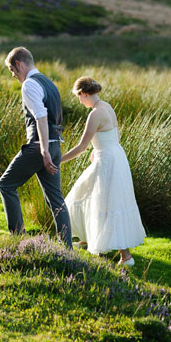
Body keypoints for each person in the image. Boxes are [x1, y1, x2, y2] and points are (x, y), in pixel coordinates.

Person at [61, 77, 146, 265]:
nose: (79, 101)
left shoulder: (95, 114)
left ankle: (126, 256)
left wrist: (60, 159)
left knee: (109, 203)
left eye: (78, 97)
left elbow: (82, 146)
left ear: (83, 93)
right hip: (115, 155)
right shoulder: (106, 106)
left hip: (107, 161)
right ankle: (86, 238)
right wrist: (97, 149)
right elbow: (114, 135)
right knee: (83, 192)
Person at [0, 47, 72, 247]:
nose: (13, 75)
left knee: (6, 184)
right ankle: (67, 249)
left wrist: (44, 151)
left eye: (12, 71)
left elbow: (40, 116)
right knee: (56, 200)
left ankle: (18, 239)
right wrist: (50, 149)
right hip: (57, 145)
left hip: (41, 147)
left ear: (19, 64)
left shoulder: (29, 84)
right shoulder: (50, 83)